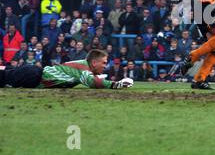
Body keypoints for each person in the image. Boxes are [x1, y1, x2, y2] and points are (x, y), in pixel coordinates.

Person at [0, 49, 133, 89]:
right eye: (103, 63)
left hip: (35, 77)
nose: (105, 66)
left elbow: (94, 79)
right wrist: (117, 84)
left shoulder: (84, 67)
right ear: (94, 62)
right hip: (33, 75)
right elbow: (92, 82)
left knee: (5, 76)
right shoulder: (84, 68)